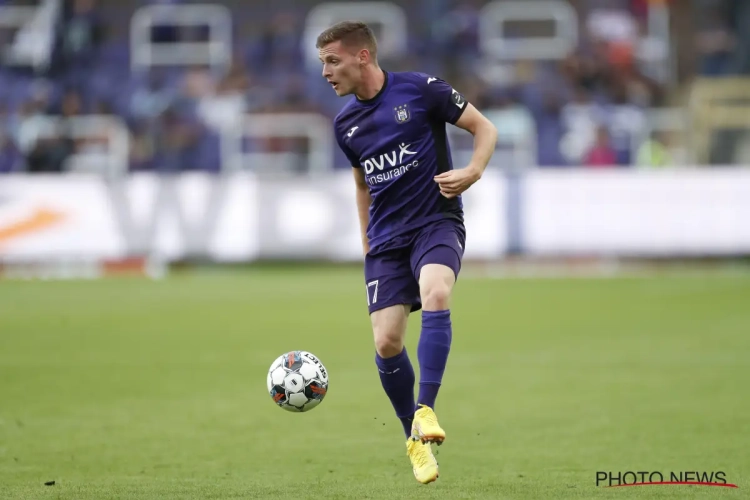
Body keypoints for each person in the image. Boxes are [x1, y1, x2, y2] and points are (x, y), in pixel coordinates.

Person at [317, 21, 498, 484]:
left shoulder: (420, 90)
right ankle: (413, 440)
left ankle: (427, 408)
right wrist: (366, 242)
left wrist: (473, 171)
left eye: (332, 61)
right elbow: (361, 182)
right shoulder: (345, 126)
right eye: (322, 63)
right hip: (387, 241)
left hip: (436, 221)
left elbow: (484, 127)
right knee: (386, 341)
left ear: (362, 57)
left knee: (436, 290)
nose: (325, 72)